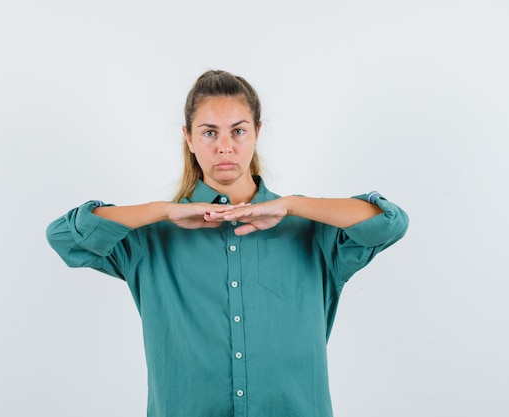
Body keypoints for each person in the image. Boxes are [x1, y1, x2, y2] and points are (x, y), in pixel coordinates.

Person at [46, 69, 409, 417]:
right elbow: (63, 237)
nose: (225, 147)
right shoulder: (147, 239)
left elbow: (389, 223)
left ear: (257, 133)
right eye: (209, 133)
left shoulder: (311, 229)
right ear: (188, 138)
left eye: (238, 131)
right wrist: (162, 211)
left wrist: (293, 205)